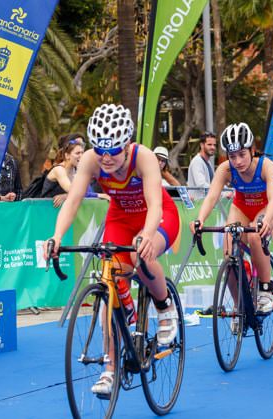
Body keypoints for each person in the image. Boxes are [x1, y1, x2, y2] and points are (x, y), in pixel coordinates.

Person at [44, 104, 180, 396]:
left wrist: (146, 234)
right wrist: (55, 236)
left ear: (126, 144)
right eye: (100, 149)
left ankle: (164, 304)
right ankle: (110, 368)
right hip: (120, 218)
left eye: (113, 151)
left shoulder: (142, 157)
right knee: (109, 283)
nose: (105, 157)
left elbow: (156, 204)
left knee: (138, 254)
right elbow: (73, 200)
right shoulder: (92, 160)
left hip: (157, 216)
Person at [193, 123, 273, 314]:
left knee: (255, 234)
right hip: (241, 207)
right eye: (232, 156)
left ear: (252, 150)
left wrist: (267, 221)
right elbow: (212, 196)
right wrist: (200, 219)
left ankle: (266, 289)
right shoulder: (225, 169)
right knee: (229, 254)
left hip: (265, 207)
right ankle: (239, 306)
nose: (238, 161)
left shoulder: (267, 166)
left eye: (242, 154)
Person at [41, 134, 109, 207]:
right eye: (77, 153)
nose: (81, 156)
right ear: (67, 156)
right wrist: (67, 196)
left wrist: (66, 196)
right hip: (45, 211)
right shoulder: (59, 170)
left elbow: (88, 192)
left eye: (82, 153)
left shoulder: (77, 170)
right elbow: (73, 192)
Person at [187, 132, 217, 199]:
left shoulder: (208, 162)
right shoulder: (197, 161)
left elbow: (215, 182)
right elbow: (201, 184)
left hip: (205, 204)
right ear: (202, 145)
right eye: (209, 144)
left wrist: (226, 192)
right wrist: (219, 190)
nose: (213, 147)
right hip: (197, 205)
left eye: (214, 145)